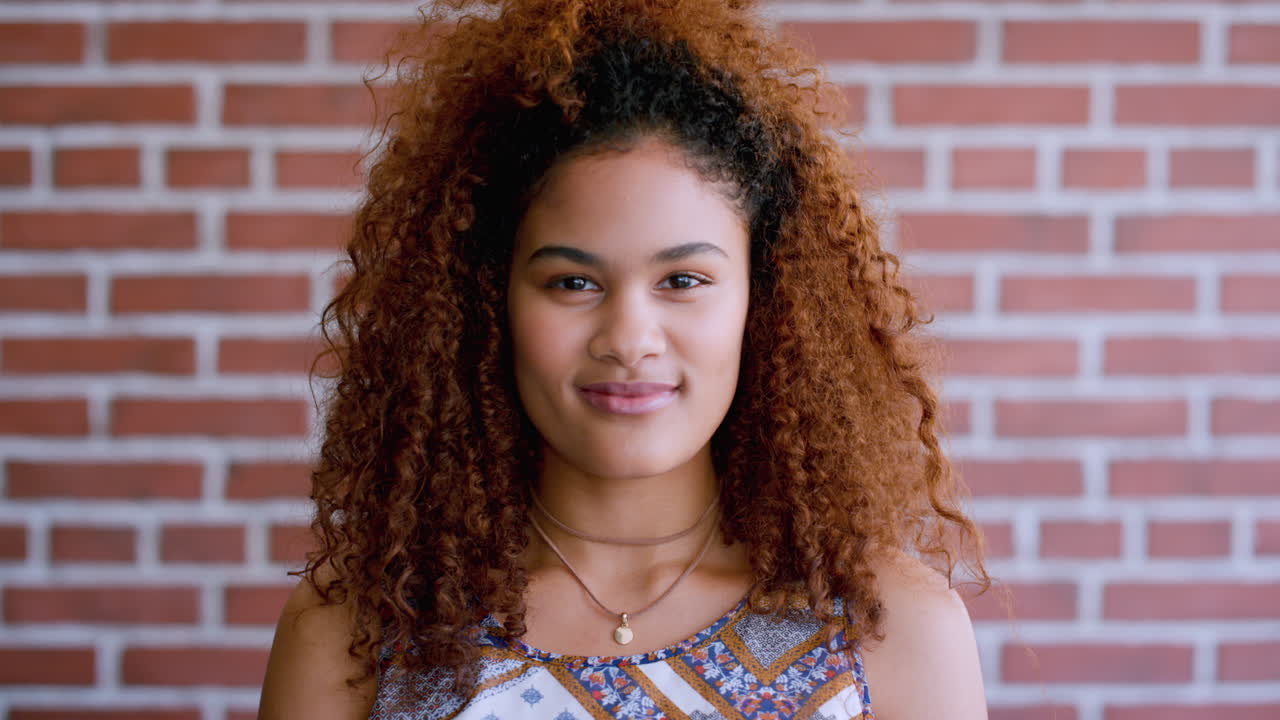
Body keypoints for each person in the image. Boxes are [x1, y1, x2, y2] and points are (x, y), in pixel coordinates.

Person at [258, 0, 994, 717]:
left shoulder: (891, 630)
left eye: (684, 280)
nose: (629, 338)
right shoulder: (357, 633)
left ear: (765, 303)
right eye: (573, 282)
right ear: (486, 301)